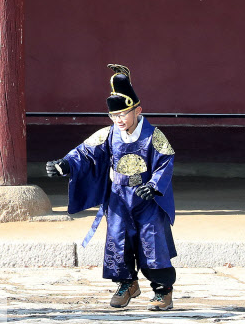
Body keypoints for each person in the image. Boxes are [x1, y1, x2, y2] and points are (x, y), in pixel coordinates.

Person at [46, 64, 176, 311]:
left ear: (138, 110)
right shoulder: (108, 134)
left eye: (123, 114)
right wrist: (65, 164)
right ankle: (126, 284)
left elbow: (166, 160)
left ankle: (163, 292)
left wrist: (154, 185)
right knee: (118, 240)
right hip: (118, 197)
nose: (118, 119)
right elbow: (85, 153)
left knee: (153, 242)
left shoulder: (154, 135)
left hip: (146, 197)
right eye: (113, 115)